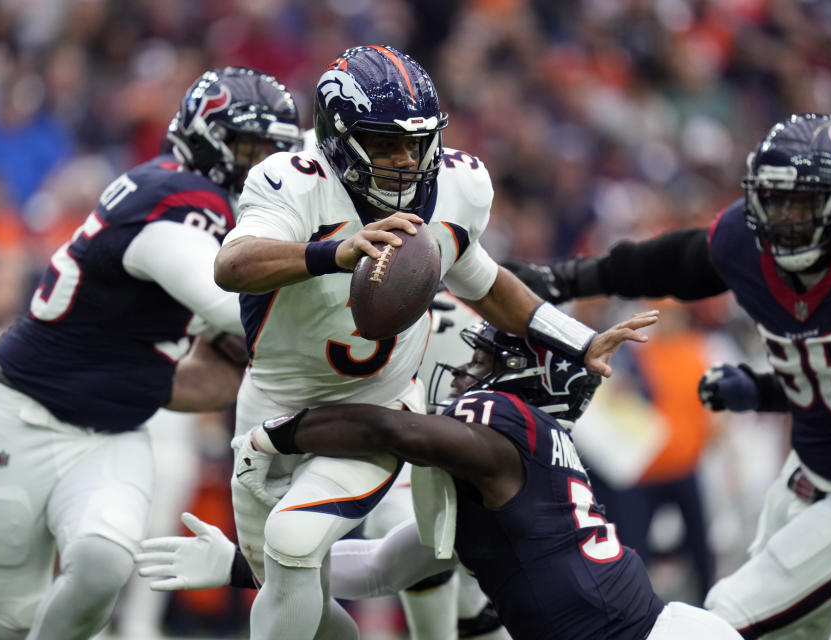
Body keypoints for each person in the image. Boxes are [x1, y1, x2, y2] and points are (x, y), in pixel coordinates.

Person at [213, 44, 651, 640]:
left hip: (377, 404)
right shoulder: (291, 181)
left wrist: (575, 339)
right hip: (269, 405)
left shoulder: (456, 186)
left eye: (415, 143)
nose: (405, 159)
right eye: (386, 143)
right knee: (291, 590)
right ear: (339, 138)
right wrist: (332, 253)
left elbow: (486, 283)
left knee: (294, 542)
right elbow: (231, 265)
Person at [505, 112, 831, 639]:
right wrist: (566, 278)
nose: (784, 219)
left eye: (803, 203)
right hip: (811, 470)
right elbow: (665, 264)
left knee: (728, 611)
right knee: (799, 630)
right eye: (774, 200)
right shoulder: (745, 244)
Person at [135, 317, 744, 639]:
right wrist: (245, 566)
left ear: (525, 381)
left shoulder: (506, 426)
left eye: (484, 360)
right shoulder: (499, 478)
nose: (461, 371)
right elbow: (381, 568)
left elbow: (399, 432)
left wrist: (282, 431)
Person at [0, 66, 302, 640]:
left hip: (114, 431)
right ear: (206, 138)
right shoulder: (178, 196)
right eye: (251, 148)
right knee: (11, 623)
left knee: (103, 564)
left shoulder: (216, 210)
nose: (264, 167)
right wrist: (334, 277)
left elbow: (196, 372)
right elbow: (227, 303)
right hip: (17, 417)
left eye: (276, 154)